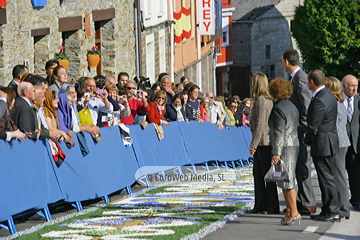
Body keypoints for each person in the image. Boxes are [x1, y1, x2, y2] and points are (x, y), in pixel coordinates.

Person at [282, 49, 316, 215]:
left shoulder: (301, 78)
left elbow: (306, 105)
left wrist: (303, 126)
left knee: (303, 165)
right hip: (295, 129)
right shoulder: (295, 78)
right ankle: (302, 201)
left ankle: (309, 202)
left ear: (287, 62)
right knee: (298, 166)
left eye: (283, 61)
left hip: (300, 130)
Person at [304, 70, 340, 222]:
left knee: (326, 179)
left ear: (312, 82)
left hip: (323, 143)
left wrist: (307, 140)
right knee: (327, 178)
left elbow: (313, 125)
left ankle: (332, 210)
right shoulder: (328, 95)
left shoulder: (320, 99)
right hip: (328, 141)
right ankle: (328, 209)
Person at [268, 78, 300, 225]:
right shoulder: (292, 106)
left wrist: (276, 151)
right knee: (286, 178)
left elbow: (278, 132)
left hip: (285, 147)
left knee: (287, 180)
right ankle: (289, 210)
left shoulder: (278, 108)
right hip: (294, 144)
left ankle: (294, 212)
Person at [246, 72, 279, 214]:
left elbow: (260, 124)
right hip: (266, 141)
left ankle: (267, 205)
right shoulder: (268, 99)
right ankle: (263, 204)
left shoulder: (260, 100)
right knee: (261, 175)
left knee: (263, 176)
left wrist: (253, 144)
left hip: (262, 142)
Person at [325, 77, 351, 219]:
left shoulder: (333, 103)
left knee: (339, 175)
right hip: (343, 141)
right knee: (339, 174)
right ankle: (341, 206)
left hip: (337, 142)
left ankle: (343, 207)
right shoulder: (340, 102)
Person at [341, 74, 360, 212]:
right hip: (341, 143)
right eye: (352, 86)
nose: (355, 89)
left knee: (355, 173)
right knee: (340, 173)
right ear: (344, 86)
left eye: (356, 86)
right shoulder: (337, 99)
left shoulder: (359, 100)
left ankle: (356, 200)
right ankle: (340, 200)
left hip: (355, 142)